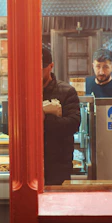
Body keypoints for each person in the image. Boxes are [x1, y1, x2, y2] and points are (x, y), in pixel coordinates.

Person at [43, 46, 81, 186]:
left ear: (51, 66)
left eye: (42, 67)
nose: (37, 71)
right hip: (29, 162)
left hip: (58, 164)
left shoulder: (67, 91)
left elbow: (73, 123)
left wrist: (44, 119)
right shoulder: (24, 92)